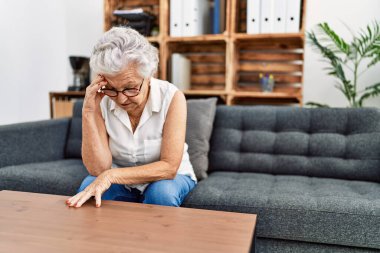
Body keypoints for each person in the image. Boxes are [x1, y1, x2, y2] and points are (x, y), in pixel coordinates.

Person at [65, 27, 197, 208]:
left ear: (149, 75)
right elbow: (98, 169)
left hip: (168, 177)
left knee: (161, 194)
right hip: (120, 180)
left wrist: (111, 176)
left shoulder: (172, 97)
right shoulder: (101, 99)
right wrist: (88, 111)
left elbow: (169, 167)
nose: (120, 98)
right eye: (111, 88)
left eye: (130, 88)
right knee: (89, 189)